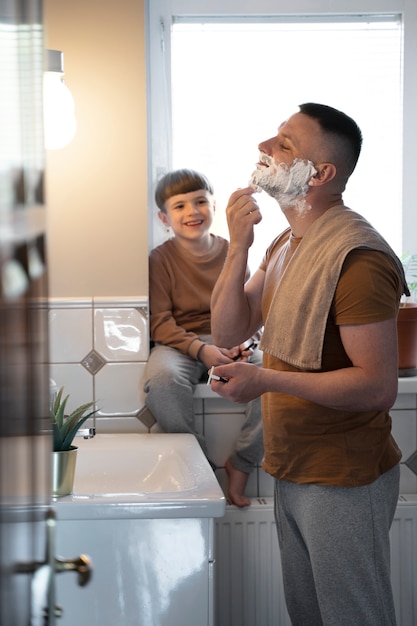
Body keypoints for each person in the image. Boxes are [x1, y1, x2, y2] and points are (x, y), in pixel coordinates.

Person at [209, 103, 409, 624]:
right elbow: (229, 331)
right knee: (310, 616)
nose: (264, 147)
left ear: (319, 174)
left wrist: (265, 379)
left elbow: (376, 386)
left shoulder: (358, 258)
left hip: (344, 476)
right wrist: (237, 249)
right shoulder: (286, 243)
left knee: (353, 617)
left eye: (284, 144)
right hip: (294, 465)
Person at [143, 168, 263, 507]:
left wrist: (246, 342)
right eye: (179, 206)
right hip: (179, 343)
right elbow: (160, 322)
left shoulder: (232, 250)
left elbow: (250, 307)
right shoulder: (159, 260)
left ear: (213, 206)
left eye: (200, 202)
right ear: (163, 217)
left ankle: (241, 464)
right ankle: (200, 471)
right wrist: (202, 350)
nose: (192, 212)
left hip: (230, 340)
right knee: (162, 381)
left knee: (276, 375)